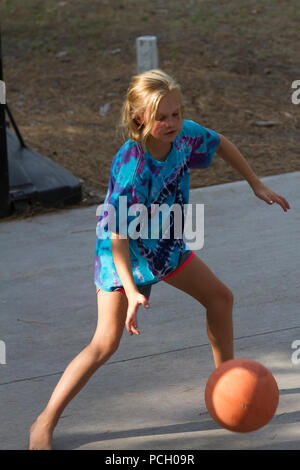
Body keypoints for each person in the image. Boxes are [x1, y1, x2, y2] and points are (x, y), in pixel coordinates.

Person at [29, 69, 290, 450]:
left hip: (165, 245)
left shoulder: (184, 137)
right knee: (105, 344)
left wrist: (255, 182)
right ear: (139, 119)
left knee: (221, 298)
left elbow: (220, 144)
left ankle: (225, 387)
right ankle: (44, 422)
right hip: (122, 255)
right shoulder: (132, 167)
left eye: (176, 113)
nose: (171, 123)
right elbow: (118, 237)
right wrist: (132, 292)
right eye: (161, 117)